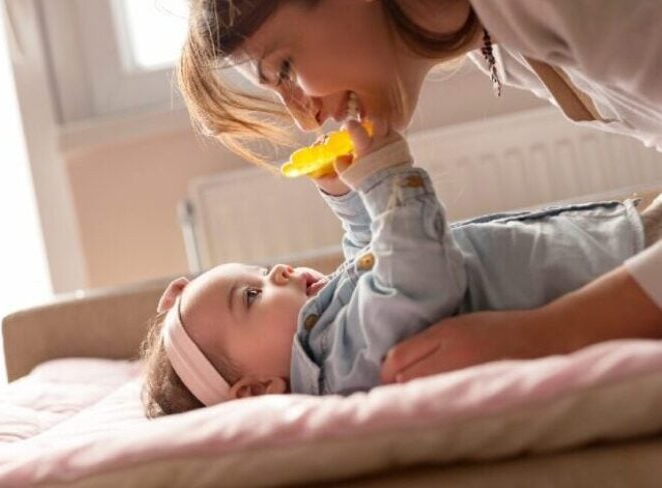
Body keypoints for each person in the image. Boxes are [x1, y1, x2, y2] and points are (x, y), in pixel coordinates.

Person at [176, 0, 662, 385]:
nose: (307, 118)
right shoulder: (499, 42)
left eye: (284, 68)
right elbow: (380, 264)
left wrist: (551, 333)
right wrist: (355, 199)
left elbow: (403, 274)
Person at [140, 120, 661, 416]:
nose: (274, 271)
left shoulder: (330, 338)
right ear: (255, 390)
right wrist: (387, 176)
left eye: (258, 269)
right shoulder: (344, 366)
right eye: (250, 295)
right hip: (612, 272)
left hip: (600, 245)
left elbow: (373, 254)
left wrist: (342, 191)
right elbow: (415, 275)